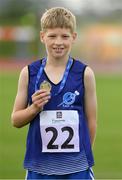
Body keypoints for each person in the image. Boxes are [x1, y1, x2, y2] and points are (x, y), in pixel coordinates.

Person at [11, 7, 97, 180]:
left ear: (74, 37)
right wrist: (34, 108)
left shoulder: (85, 73)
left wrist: (81, 158)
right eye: (52, 36)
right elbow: (15, 120)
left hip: (77, 168)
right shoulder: (29, 73)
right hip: (39, 166)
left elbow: (91, 121)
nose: (59, 42)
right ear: (42, 36)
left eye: (65, 36)